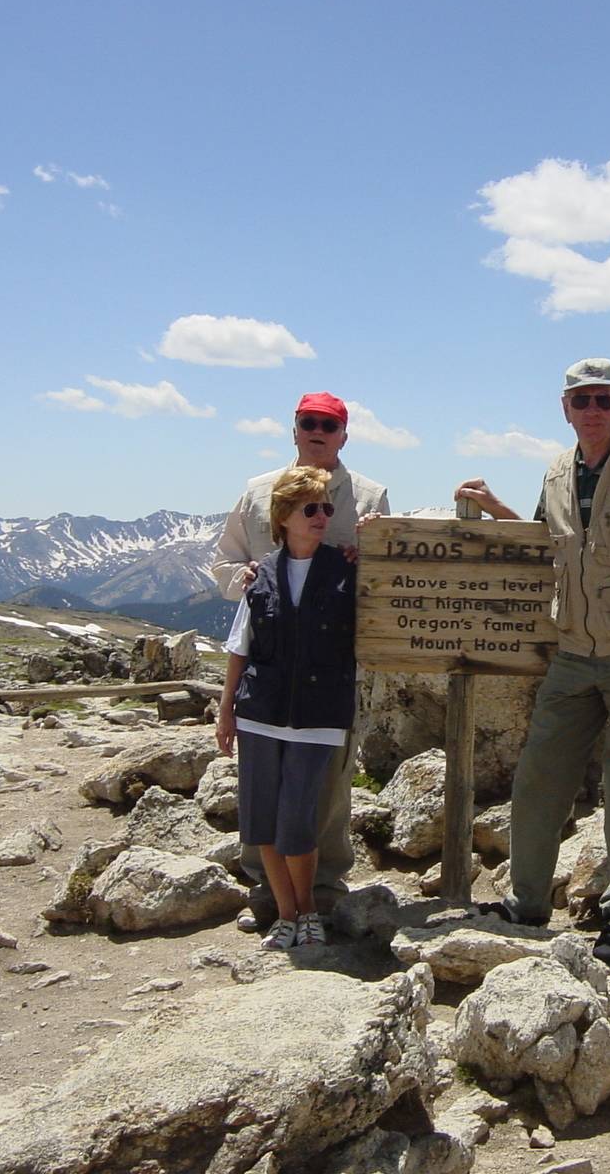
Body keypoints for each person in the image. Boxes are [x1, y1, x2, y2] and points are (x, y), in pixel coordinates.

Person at [455, 358, 610, 964]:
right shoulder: (555, 472)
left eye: (604, 400)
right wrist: (495, 508)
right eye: (582, 401)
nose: (594, 411)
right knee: (538, 779)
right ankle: (527, 903)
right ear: (565, 408)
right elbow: (545, 541)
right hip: (572, 652)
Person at [212, 391, 389, 930]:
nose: (318, 432)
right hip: (272, 662)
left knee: (328, 785)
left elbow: (385, 573)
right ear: (295, 430)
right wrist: (239, 579)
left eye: (329, 425)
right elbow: (224, 560)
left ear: (343, 434)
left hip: (331, 669)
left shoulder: (369, 496)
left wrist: (369, 560)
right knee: (262, 785)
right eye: (309, 423)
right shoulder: (257, 491)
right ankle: (267, 887)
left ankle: (326, 886)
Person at [215, 466, 357, 950]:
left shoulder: (348, 570)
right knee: (261, 820)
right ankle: (287, 913)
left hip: (319, 716)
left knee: (297, 820)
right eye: (311, 509)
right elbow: (241, 646)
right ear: (284, 517)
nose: (322, 517)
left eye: (326, 509)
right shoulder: (261, 576)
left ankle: (309, 909)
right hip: (260, 711)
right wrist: (225, 711)